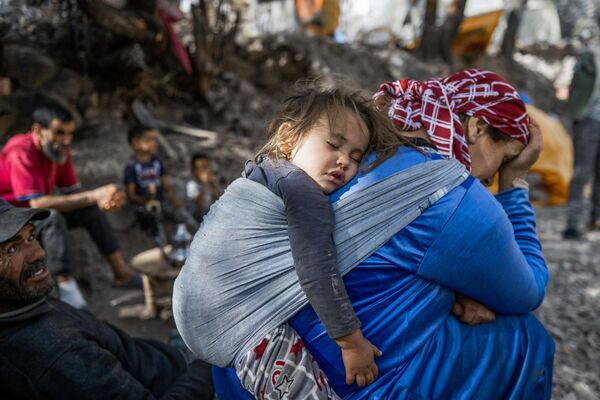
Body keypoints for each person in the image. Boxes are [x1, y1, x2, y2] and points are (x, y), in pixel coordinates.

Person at [208, 69, 554, 399]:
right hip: (330, 382)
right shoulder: (452, 194)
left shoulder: (352, 152)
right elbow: (528, 290)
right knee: (528, 339)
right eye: (504, 160)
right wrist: (515, 183)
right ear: (477, 127)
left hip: (244, 365)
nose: (491, 179)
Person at [175, 77, 418, 399]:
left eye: (356, 156)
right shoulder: (302, 191)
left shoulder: (261, 171)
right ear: (289, 139)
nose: (344, 160)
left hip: (191, 309)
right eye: (333, 145)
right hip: (242, 324)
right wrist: (350, 340)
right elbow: (317, 268)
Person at [0, 199, 214, 399]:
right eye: (12, 248)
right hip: (184, 377)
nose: (38, 253)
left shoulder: (22, 302)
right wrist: (206, 364)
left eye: (31, 236)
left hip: (159, 358)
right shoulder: (61, 356)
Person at [0, 104, 139, 309]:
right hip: (8, 219)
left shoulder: (59, 152)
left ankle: (122, 273)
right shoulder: (20, 149)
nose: (66, 140)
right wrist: (93, 195)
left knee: (90, 211)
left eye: (69, 133)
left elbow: (73, 194)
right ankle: (68, 290)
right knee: (52, 217)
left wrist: (103, 200)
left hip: (30, 214)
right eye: (59, 133)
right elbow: (37, 203)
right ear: (38, 130)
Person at [124, 125, 198, 234]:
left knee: (188, 220)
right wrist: (145, 200)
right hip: (145, 206)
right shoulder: (132, 166)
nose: (155, 143)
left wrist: (174, 201)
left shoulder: (156, 162)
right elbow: (131, 195)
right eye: (149, 139)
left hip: (163, 201)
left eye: (155, 139)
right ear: (136, 143)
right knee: (157, 228)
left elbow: (165, 185)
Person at [563, 39, 600, 238]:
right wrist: (576, 114)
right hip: (588, 121)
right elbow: (574, 85)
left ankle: (596, 218)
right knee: (581, 174)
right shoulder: (589, 56)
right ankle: (572, 224)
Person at [185, 152, 222, 222]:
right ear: (194, 171)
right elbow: (199, 204)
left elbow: (220, 198)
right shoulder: (192, 184)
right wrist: (205, 184)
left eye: (208, 167)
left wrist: (214, 184)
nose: (206, 171)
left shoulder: (209, 183)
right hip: (198, 221)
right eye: (203, 168)